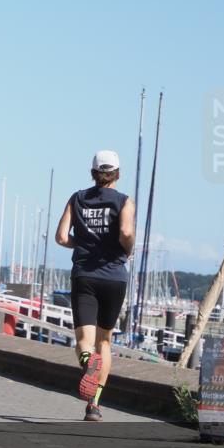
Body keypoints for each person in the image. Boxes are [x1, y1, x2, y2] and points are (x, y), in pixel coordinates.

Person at [55, 150, 135, 421]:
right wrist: (128, 249)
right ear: (118, 174)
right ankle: (94, 405)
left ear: (92, 173)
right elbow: (125, 232)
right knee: (105, 341)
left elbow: (61, 237)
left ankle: (87, 363)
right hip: (114, 277)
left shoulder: (77, 198)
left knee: (84, 342)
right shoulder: (124, 201)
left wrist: (84, 243)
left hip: (85, 275)